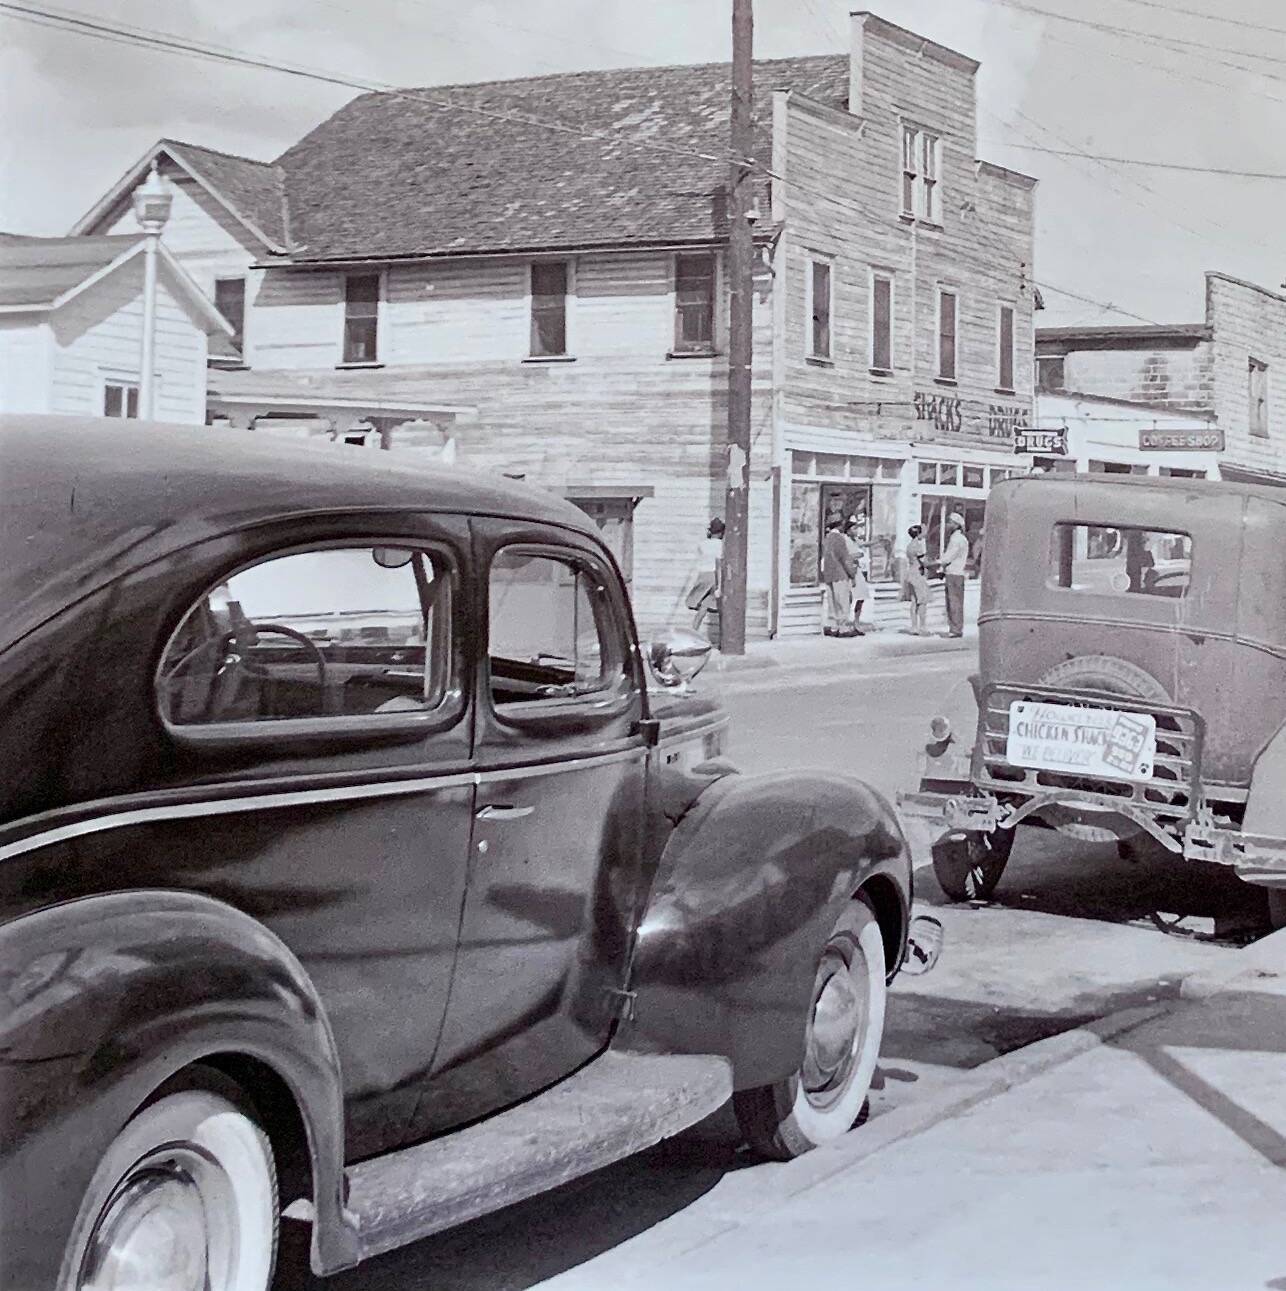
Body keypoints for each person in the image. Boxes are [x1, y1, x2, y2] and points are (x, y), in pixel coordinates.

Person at [685, 517, 724, 633]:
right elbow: (718, 565)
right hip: (713, 576)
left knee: (703, 608)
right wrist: (719, 585)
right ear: (721, 532)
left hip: (702, 575)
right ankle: (724, 637)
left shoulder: (702, 544)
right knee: (721, 607)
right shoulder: (720, 545)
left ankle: (693, 631)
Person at [821, 516, 857, 636]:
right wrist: (852, 573)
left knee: (832, 602)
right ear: (839, 524)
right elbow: (845, 559)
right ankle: (843, 627)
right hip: (840, 573)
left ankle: (832, 626)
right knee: (843, 602)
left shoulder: (826, 538)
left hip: (828, 574)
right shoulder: (839, 539)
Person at [937, 511, 970, 638]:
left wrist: (937, 562)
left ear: (956, 525)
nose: (948, 525)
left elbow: (949, 557)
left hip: (954, 573)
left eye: (950, 522)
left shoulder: (956, 539)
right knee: (956, 601)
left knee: (953, 602)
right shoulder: (960, 538)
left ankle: (955, 629)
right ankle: (956, 628)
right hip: (956, 573)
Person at [843, 516, 869, 635]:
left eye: (856, 528)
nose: (856, 531)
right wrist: (858, 555)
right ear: (848, 530)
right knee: (849, 598)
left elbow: (864, 544)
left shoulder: (854, 540)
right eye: (853, 528)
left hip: (856, 570)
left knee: (861, 596)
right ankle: (845, 623)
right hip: (849, 571)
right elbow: (845, 557)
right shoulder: (845, 540)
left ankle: (856, 622)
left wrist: (878, 541)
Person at [902, 524, 930, 635]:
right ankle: (922, 626)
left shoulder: (909, 545)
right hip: (917, 574)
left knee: (914, 601)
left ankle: (914, 626)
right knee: (922, 601)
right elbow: (923, 561)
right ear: (918, 534)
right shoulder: (917, 546)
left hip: (910, 573)